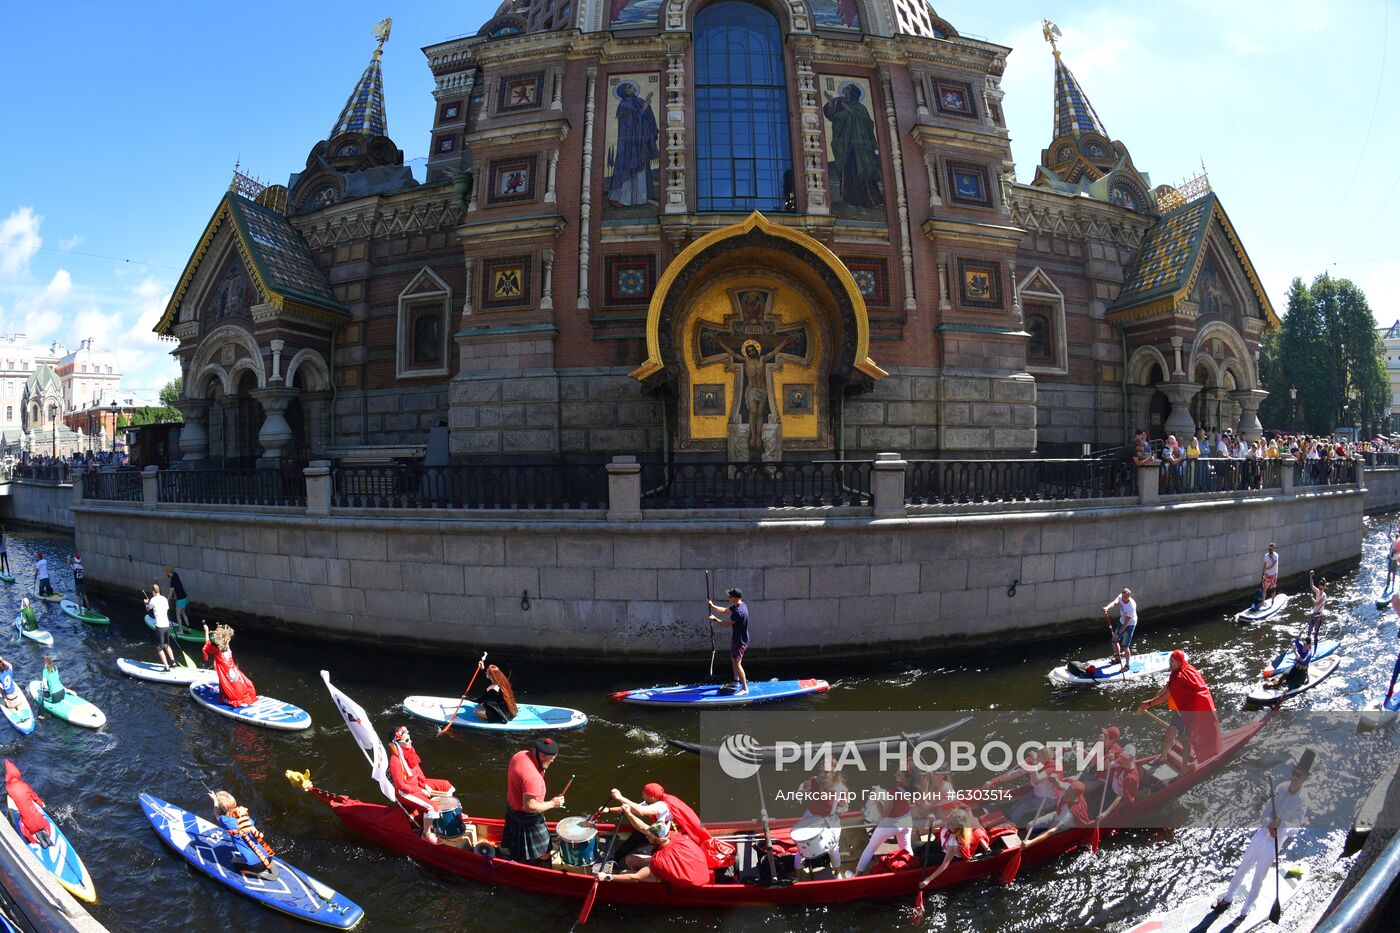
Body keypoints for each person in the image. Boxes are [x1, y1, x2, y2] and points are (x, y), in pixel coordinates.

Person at [1211, 750, 1314, 920]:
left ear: (1305, 779)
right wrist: (1268, 824)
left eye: (1299, 776)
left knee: (1258, 879)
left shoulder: (1303, 800)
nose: (1295, 778)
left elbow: (1296, 828)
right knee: (1242, 868)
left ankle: (1244, 911)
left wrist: (1281, 827)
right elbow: (1264, 814)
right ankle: (1228, 899)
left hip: (1273, 843)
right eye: (1294, 773)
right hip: (1261, 836)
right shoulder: (1281, 787)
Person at [1137, 649, 1220, 768]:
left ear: (1180, 662)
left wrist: (1149, 704)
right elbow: (1165, 689)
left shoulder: (1180, 676)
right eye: (1169, 661)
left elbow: (1166, 696)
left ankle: (1185, 769)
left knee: (1185, 740)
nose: (1170, 664)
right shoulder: (1179, 671)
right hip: (1181, 710)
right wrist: (1150, 701)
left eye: (1173, 661)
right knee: (1171, 730)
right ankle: (1163, 757)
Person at [388, 725, 457, 843]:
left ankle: (445, 815)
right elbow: (401, 786)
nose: (411, 741)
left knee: (447, 786)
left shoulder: (410, 751)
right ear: (397, 743)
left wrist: (424, 784)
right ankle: (426, 833)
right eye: (407, 740)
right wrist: (420, 791)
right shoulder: (395, 761)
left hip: (417, 785)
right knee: (431, 808)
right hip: (405, 792)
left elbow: (418, 770)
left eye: (409, 738)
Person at [503, 737, 565, 865]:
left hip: (512, 811)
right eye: (551, 759)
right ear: (542, 756)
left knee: (517, 845)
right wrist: (553, 803)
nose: (552, 762)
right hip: (528, 819)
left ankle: (520, 858)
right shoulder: (533, 777)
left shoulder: (520, 755)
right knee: (545, 851)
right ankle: (542, 871)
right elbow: (530, 807)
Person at [597, 819, 711, 887]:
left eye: (649, 836)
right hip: (689, 865)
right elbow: (643, 828)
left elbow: (635, 877)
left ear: (657, 840)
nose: (646, 837)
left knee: (623, 873)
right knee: (629, 859)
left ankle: (655, 880)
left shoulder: (659, 860)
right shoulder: (675, 836)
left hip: (691, 879)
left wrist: (607, 876)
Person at [856, 768, 916, 873]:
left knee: (870, 849)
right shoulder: (915, 788)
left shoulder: (893, 791)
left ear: (905, 777)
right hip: (906, 822)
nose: (894, 775)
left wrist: (877, 800)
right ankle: (911, 871)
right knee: (906, 847)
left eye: (898, 775)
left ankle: (856, 876)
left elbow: (884, 814)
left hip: (890, 825)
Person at [601, 783, 674, 868]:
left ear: (652, 798)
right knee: (633, 840)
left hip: (664, 838)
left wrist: (620, 797)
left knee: (641, 852)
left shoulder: (663, 807)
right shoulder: (651, 801)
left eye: (643, 795)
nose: (642, 796)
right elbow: (632, 808)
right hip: (654, 831)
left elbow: (640, 812)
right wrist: (609, 810)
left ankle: (633, 869)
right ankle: (615, 860)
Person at [916, 807, 991, 889]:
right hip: (943, 846)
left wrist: (928, 880)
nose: (948, 824)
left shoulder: (955, 842)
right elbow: (937, 822)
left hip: (951, 856)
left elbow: (944, 865)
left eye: (951, 824)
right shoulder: (948, 823)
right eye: (949, 821)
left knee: (924, 858)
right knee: (917, 846)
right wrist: (931, 817)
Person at [208, 790, 277, 878]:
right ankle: (262, 866)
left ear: (222, 808)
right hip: (268, 857)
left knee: (233, 861)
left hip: (256, 866)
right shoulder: (245, 816)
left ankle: (253, 873)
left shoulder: (225, 820)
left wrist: (215, 801)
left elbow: (217, 815)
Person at [202, 623, 257, 708]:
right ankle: (235, 694)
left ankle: (228, 698)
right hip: (233, 673)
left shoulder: (218, 651)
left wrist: (206, 631)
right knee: (232, 679)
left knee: (225, 679)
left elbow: (207, 645)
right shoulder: (228, 648)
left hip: (227, 677)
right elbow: (223, 641)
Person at [707, 587, 750, 695]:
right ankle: (735, 682)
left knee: (737, 663)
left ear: (735, 598)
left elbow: (726, 624)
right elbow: (725, 611)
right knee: (734, 659)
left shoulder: (738, 611)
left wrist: (715, 619)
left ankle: (745, 688)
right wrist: (712, 606)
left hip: (740, 641)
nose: (728, 598)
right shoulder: (739, 605)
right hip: (738, 639)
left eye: (730, 596)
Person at [4, 761, 52, 848]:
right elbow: (34, 797)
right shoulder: (24, 785)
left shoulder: (8, 788)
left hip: (29, 826)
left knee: (25, 831)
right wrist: (41, 804)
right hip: (40, 820)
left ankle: (35, 840)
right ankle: (47, 832)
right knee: (44, 822)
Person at [1102, 588, 1138, 672]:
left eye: (1125, 597)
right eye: (1122, 596)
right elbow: (1115, 603)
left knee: (1125, 646)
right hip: (1122, 621)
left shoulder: (1131, 606)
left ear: (1129, 597)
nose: (1122, 599)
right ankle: (1118, 658)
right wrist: (1107, 607)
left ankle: (1127, 665)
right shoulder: (1121, 597)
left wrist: (1118, 633)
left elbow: (1126, 623)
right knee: (1114, 641)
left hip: (1130, 624)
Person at [146, 584, 176, 671]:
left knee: (159, 648)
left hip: (159, 626)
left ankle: (166, 667)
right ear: (159, 590)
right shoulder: (164, 599)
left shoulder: (153, 600)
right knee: (167, 645)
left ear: (153, 592)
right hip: (167, 625)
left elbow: (148, 609)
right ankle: (173, 662)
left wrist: (146, 603)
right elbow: (166, 609)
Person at [1308, 571, 1327, 645]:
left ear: (1324, 588)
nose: (1320, 590)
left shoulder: (1324, 596)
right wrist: (1310, 576)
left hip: (1319, 615)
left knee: (1316, 633)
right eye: (1319, 588)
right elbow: (1312, 585)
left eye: (1321, 589)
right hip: (1314, 613)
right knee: (1309, 630)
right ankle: (1307, 645)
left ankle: (1315, 645)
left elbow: (1317, 603)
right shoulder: (1318, 591)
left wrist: (1312, 598)